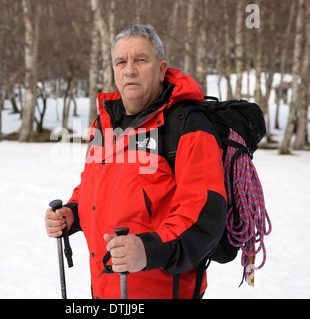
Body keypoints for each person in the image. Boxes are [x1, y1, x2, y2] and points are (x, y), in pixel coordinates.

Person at [45, 24, 227, 299]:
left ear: (162, 68)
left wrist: (148, 249)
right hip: (107, 289)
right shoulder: (103, 125)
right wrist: (72, 213)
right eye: (121, 61)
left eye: (140, 60)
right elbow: (92, 187)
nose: (129, 69)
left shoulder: (187, 126)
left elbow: (204, 213)